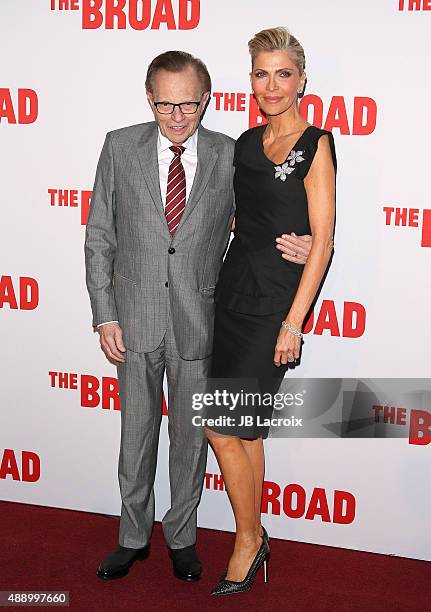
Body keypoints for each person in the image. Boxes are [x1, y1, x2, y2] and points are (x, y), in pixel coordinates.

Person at [84, 50, 312, 583]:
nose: (178, 117)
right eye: (166, 105)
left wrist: (304, 242)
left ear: (206, 99)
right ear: (150, 99)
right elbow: (99, 236)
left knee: (191, 439)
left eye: (189, 104)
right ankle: (133, 536)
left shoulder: (229, 154)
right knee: (135, 435)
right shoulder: (119, 147)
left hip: (202, 321)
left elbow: (262, 215)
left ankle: (181, 538)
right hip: (133, 319)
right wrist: (104, 314)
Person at [206, 27, 337, 596]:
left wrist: (294, 322)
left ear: (302, 80)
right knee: (245, 431)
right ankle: (254, 534)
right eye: (261, 73)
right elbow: (233, 218)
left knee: (219, 425)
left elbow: (325, 237)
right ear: (251, 81)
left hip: (275, 307)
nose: (272, 84)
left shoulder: (318, 143)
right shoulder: (241, 143)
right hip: (231, 292)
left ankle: (247, 540)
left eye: (283, 73)